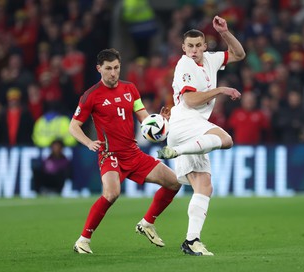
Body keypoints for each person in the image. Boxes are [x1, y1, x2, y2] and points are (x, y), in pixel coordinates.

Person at [69, 48, 181, 254]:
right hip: (110, 155)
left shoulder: (130, 89)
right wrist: (87, 143)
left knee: (174, 182)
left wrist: (159, 121)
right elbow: (73, 126)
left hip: (133, 153)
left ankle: (147, 223)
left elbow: (144, 119)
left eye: (116, 68)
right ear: (99, 69)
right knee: (112, 194)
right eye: (109, 68)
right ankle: (83, 240)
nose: (113, 73)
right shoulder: (90, 96)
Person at [157, 16, 245, 256]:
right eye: (190, 46)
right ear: (183, 48)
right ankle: (178, 151)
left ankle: (191, 241)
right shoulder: (184, 65)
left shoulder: (212, 60)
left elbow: (239, 54)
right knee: (226, 140)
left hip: (191, 127)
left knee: (204, 186)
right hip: (184, 122)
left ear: (205, 46)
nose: (194, 50)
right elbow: (190, 99)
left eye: (198, 46)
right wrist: (220, 90)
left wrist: (225, 32)